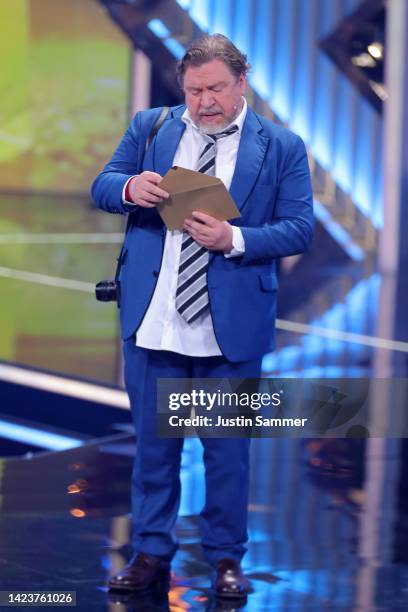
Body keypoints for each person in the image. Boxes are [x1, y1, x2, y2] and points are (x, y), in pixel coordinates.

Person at [92, 33, 313, 599]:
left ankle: (224, 560)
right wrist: (129, 187)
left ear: (241, 83)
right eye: (194, 90)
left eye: (216, 88)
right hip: (154, 321)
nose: (204, 101)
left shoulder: (282, 146)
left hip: (227, 329)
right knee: (153, 451)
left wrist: (234, 237)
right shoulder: (151, 127)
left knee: (227, 455)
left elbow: (299, 228)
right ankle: (149, 553)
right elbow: (103, 183)